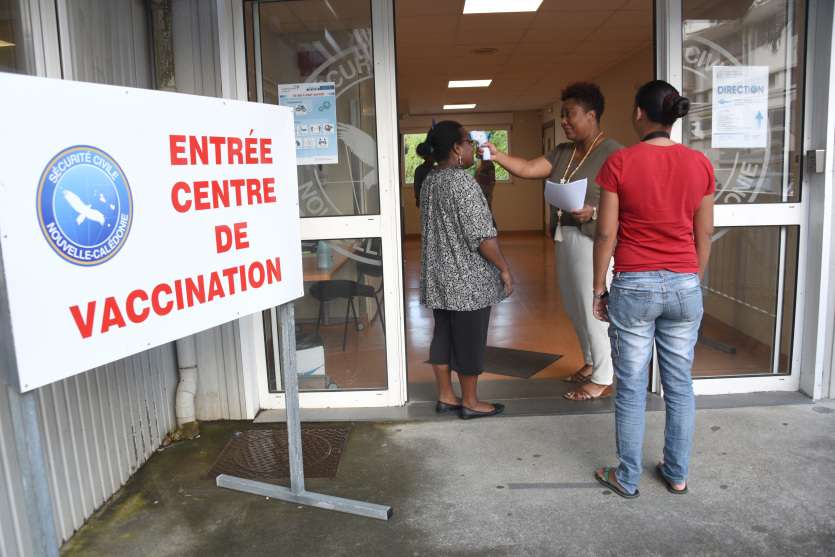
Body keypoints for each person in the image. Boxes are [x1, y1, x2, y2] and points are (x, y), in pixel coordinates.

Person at [591, 80, 715, 498]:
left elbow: (605, 233)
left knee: (630, 385)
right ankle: (676, 473)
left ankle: (627, 478)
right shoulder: (699, 164)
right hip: (684, 283)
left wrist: (598, 287)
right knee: (679, 384)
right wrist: (692, 278)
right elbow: (704, 232)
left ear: (639, 113)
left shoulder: (621, 162)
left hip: (635, 284)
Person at [484, 82, 621, 401]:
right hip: (565, 237)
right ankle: (590, 361)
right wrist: (498, 155)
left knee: (592, 309)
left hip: (593, 241)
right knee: (575, 308)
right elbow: (529, 168)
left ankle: (603, 377)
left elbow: (629, 200)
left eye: (570, 114)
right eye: (562, 115)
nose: (564, 121)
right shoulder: (563, 152)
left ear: (591, 115)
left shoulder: (613, 152)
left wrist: (595, 211)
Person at [419, 120, 513, 419]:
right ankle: (471, 402)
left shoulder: (431, 180)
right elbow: (482, 237)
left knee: (443, 335)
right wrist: (504, 268)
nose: (472, 147)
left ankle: (446, 396)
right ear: (457, 149)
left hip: (439, 276)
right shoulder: (462, 183)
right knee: (469, 339)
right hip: (466, 280)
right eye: (468, 142)